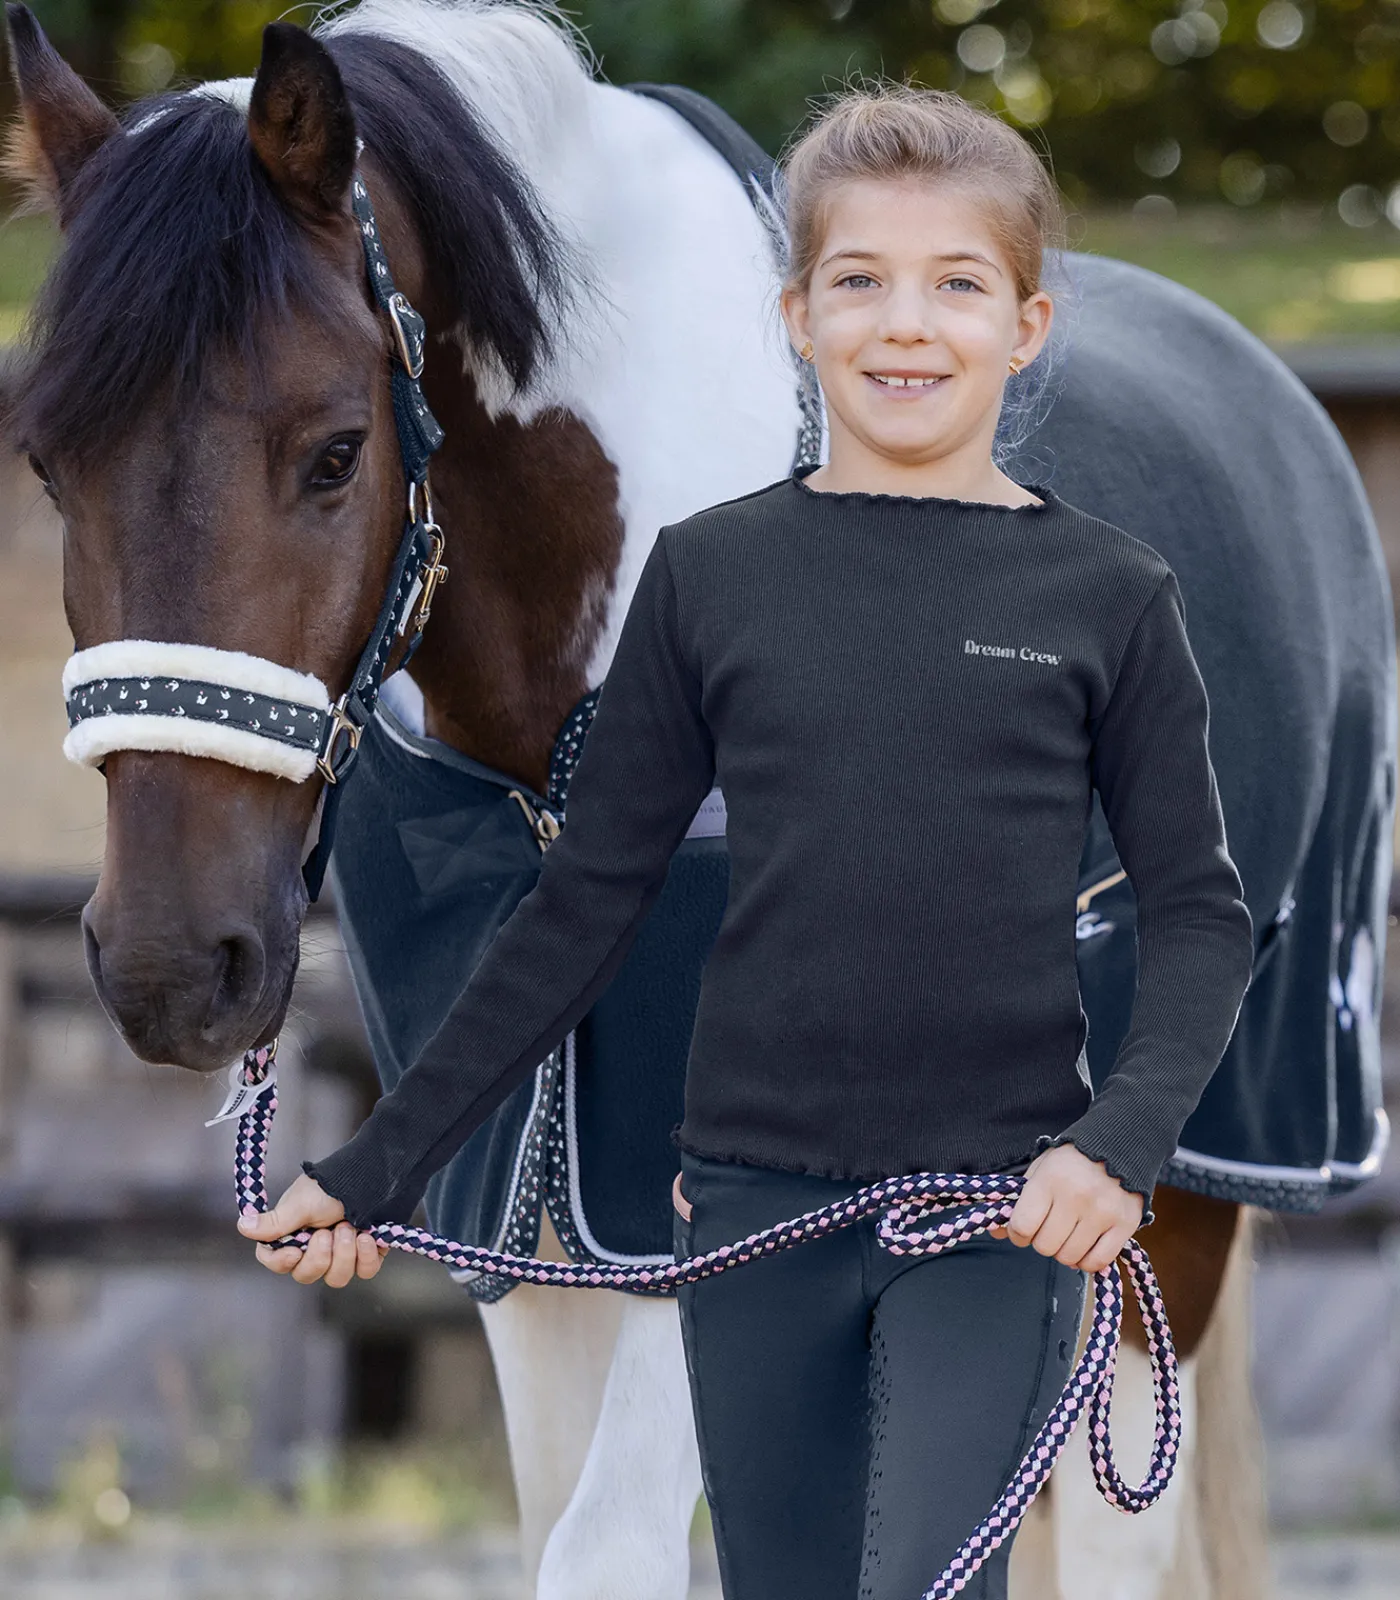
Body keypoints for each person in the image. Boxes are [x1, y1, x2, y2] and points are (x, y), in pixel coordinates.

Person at [240, 83, 1255, 1599]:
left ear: (1028, 326)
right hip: (749, 1221)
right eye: (860, 282)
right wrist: (377, 1169)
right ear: (796, 315)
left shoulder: (1109, 595)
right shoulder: (710, 581)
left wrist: (1116, 1149)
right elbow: (585, 908)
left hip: (984, 1214)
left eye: (957, 285)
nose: (905, 326)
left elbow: (1198, 916)